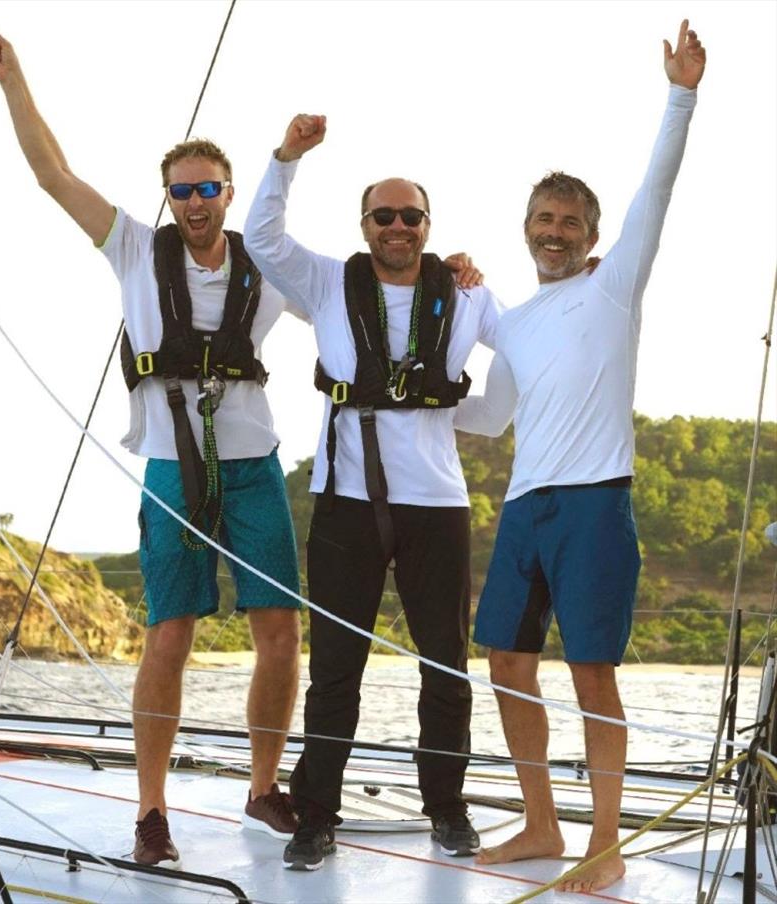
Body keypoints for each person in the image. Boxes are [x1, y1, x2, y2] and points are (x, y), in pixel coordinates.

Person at [0, 31, 306, 865]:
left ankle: (264, 789)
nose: (193, 203)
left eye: (206, 189)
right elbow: (53, 176)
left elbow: (352, 292)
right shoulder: (131, 247)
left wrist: (443, 272)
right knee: (171, 634)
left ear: (229, 194)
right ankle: (152, 812)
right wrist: (15, 81)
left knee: (278, 629)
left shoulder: (266, 264)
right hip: (171, 469)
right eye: (179, 192)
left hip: (253, 463)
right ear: (167, 202)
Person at [452, 20, 706, 894]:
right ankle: (541, 823)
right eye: (543, 220)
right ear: (527, 231)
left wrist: (681, 93)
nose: (554, 231)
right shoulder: (515, 324)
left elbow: (656, 192)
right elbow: (487, 419)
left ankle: (606, 843)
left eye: (569, 221)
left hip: (596, 504)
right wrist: (418, 392)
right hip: (525, 511)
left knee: (591, 674)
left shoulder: (614, 284)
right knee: (508, 665)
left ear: (591, 234)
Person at [243, 115, 505, 871]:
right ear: (364, 225)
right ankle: (316, 816)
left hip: (437, 505)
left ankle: (448, 809)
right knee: (336, 670)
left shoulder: (466, 294)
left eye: (411, 216)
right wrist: (286, 157)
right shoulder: (327, 281)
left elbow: (523, 355)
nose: (398, 226)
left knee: (446, 665)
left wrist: (477, 417)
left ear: (429, 226)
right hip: (345, 503)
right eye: (384, 216)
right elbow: (261, 238)